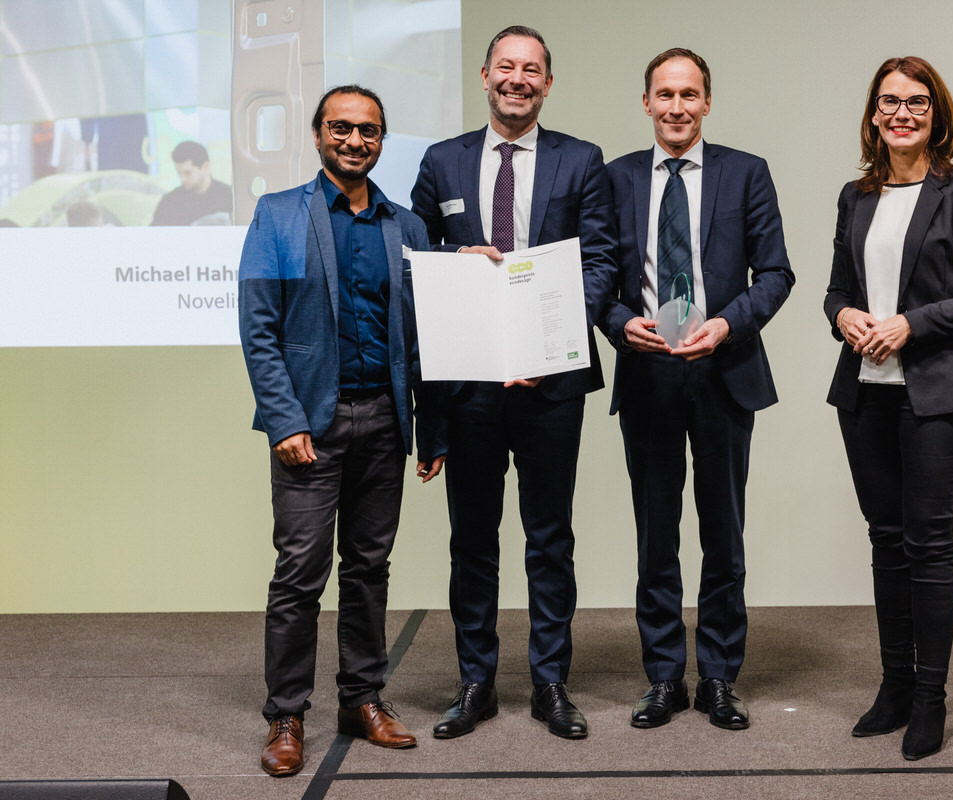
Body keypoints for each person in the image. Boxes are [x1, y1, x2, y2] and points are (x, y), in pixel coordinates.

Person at [409, 25, 617, 741]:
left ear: (547, 84)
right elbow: (415, 258)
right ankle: (476, 683)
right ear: (484, 74)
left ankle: (551, 682)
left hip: (549, 384)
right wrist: (453, 260)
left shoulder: (581, 160)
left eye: (531, 70)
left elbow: (601, 263)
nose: (517, 79)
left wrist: (550, 343)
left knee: (549, 538)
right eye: (506, 66)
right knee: (472, 541)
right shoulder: (442, 161)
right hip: (469, 384)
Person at [239, 84, 446, 777]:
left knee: (368, 570)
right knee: (300, 574)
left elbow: (423, 338)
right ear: (318, 134)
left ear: (381, 140)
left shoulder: (406, 226)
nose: (355, 140)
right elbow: (259, 330)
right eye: (341, 128)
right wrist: (284, 420)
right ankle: (286, 715)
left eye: (369, 130)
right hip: (310, 428)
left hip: (385, 421)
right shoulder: (278, 215)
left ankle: (362, 699)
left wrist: (431, 429)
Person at [823, 56, 953, 761]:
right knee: (885, 539)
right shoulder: (856, 195)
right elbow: (836, 288)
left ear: (937, 114)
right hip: (865, 390)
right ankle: (896, 688)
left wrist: (912, 323)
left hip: (939, 391)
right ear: (873, 115)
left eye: (916, 103)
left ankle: (931, 699)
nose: (901, 114)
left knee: (927, 542)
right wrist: (842, 314)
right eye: (889, 102)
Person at [601, 48, 793, 731]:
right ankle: (662, 677)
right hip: (648, 372)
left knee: (723, 536)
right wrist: (619, 323)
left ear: (707, 102)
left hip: (724, 373)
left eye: (689, 94)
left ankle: (717, 677)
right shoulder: (617, 177)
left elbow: (776, 273)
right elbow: (598, 277)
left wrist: (727, 324)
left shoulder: (746, 172)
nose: (677, 107)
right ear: (646, 102)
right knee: (656, 537)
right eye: (665, 94)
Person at [151, 141, 232, 225]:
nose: (182, 179)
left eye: (187, 173)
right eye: (179, 173)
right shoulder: (169, 202)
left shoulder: (230, 198)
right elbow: (154, 232)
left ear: (205, 167)